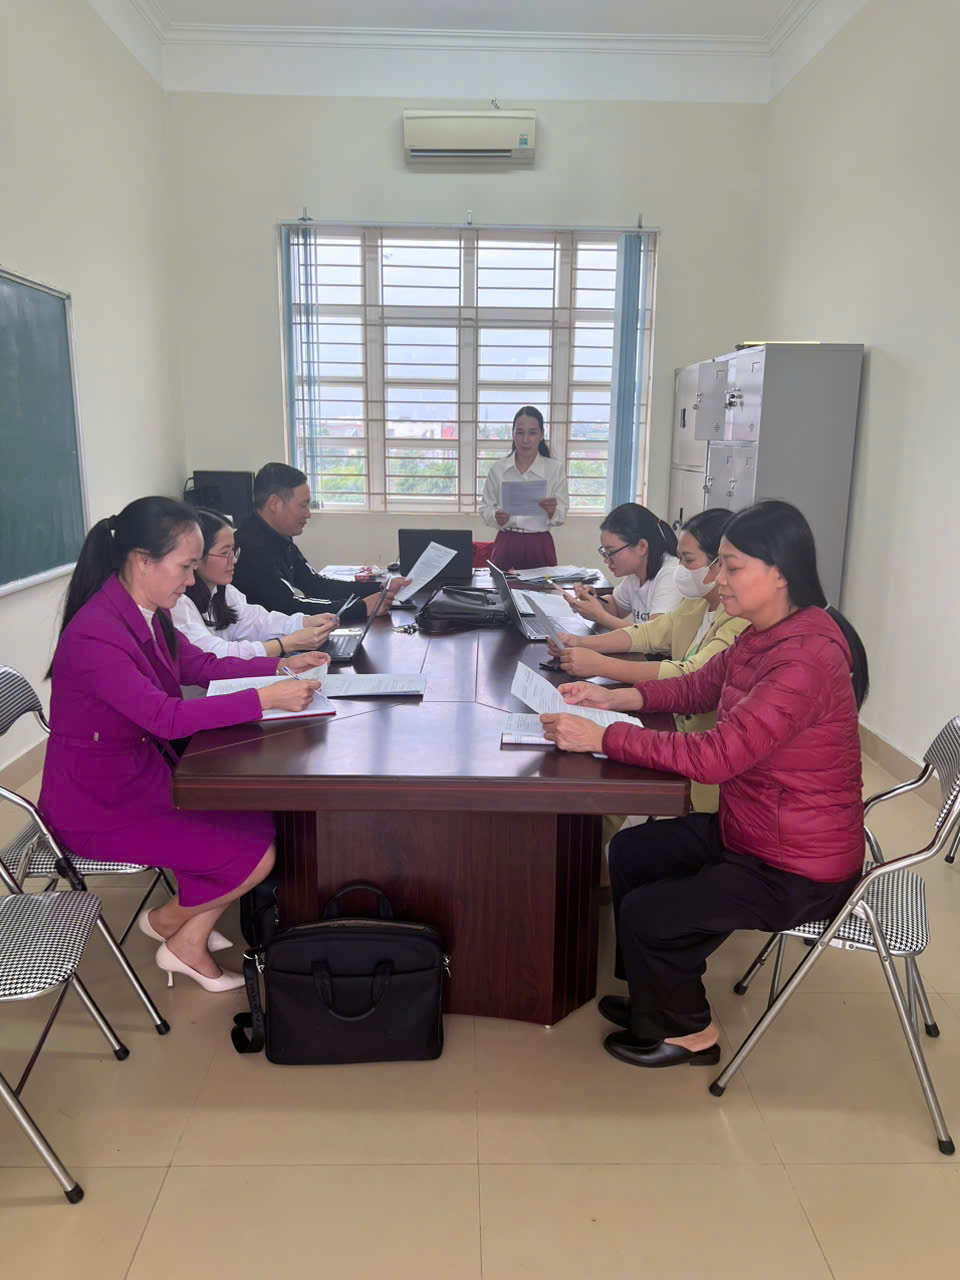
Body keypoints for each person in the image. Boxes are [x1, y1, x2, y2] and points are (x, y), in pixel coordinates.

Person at [540, 500, 868, 1070]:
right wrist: (611, 698)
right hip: (755, 831)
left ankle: (691, 1032)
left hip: (797, 866)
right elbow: (696, 688)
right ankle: (655, 1000)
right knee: (633, 852)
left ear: (780, 571)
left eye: (732, 566)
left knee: (652, 913)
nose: (718, 579)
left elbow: (717, 756)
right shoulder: (762, 634)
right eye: (718, 564)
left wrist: (604, 737)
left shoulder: (805, 660)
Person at [39, 497, 329, 993]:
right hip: (98, 800)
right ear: (142, 561)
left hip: (141, 770)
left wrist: (281, 666)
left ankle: (185, 934)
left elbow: (203, 667)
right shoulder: (96, 634)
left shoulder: (148, 611)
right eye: (186, 566)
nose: (192, 580)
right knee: (254, 855)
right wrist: (264, 698)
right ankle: (171, 926)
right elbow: (164, 716)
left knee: (257, 821)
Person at [549, 507, 749, 814]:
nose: (681, 569)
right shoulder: (697, 604)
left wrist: (601, 665)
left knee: (606, 794)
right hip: (674, 727)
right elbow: (648, 633)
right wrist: (579, 642)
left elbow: (692, 676)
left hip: (698, 755)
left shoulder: (739, 619)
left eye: (688, 560)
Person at [233, 463, 408, 622]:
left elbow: (316, 585)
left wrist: (380, 588)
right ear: (274, 503)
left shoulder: (278, 536)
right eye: (303, 505)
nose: (308, 514)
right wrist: (361, 608)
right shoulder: (251, 549)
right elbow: (288, 609)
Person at [172, 508, 339, 659]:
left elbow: (258, 622)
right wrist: (285, 644)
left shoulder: (224, 591)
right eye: (224, 553)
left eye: (233, 551)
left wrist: (306, 622)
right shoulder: (178, 603)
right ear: (196, 557)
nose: (234, 560)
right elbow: (215, 655)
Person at [564, 503, 682, 630]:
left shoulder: (671, 575)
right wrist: (592, 601)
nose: (606, 560)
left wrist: (600, 616)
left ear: (642, 547)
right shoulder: (636, 574)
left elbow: (655, 635)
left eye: (611, 552)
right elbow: (615, 607)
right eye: (604, 552)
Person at [480, 406, 569, 571]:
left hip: (539, 544)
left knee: (543, 587)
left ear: (541, 435)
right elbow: (485, 508)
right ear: (513, 434)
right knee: (501, 587)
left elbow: (561, 514)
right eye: (520, 433)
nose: (525, 440)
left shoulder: (554, 469)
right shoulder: (498, 469)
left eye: (532, 433)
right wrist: (496, 516)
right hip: (506, 541)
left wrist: (551, 511)